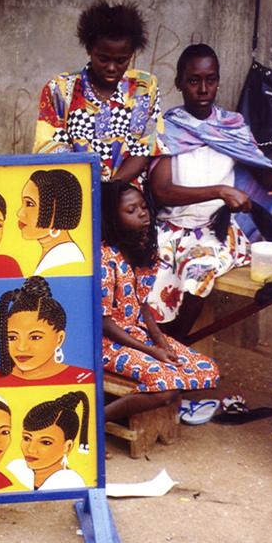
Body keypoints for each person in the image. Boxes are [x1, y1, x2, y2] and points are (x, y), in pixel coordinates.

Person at [148, 43, 272, 340]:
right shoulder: (167, 130)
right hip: (170, 229)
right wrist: (220, 190)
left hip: (216, 232)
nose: (203, 89)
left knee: (199, 269)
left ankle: (173, 346)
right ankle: (159, 345)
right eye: (193, 81)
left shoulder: (232, 127)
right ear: (179, 83)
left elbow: (262, 170)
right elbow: (162, 191)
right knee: (150, 275)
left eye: (211, 80)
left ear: (218, 81)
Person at [101, 180, 219, 422]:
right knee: (167, 388)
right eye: (131, 210)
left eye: (143, 207)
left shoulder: (144, 250)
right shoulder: (105, 258)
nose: (142, 213)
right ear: (112, 218)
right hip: (106, 343)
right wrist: (151, 350)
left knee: (207, 369)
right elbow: (104, 324)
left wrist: (161, 341)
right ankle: (92, 425)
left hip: (136, 334)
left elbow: (142, 304)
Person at [33, 0, 164, 182]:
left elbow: (146, 147)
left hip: (128, 188)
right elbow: (50, 147)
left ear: (132, 54)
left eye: (121, 60)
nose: (111, 68)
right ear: (89, 49)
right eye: (103, 59)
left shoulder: (145, 87)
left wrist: (114, 186)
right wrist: (93, 187)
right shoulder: (59, 90)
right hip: (75, 186)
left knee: (129, 200)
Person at [0, 276, 94, 387]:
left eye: (35, 337)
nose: (22, 347)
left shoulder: (83, 379)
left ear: (59, 339)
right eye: (12, 338)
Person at [7, 391, 89, 491]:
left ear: (67, 446)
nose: (31, 449)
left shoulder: (70, 483)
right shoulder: (16, 469)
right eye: (27, 438)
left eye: (45, 442)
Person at [16, 169, 84, 274]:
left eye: (30, 204)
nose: (20, 213)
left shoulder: (65, 259)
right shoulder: (56, 254)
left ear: (58, 211)